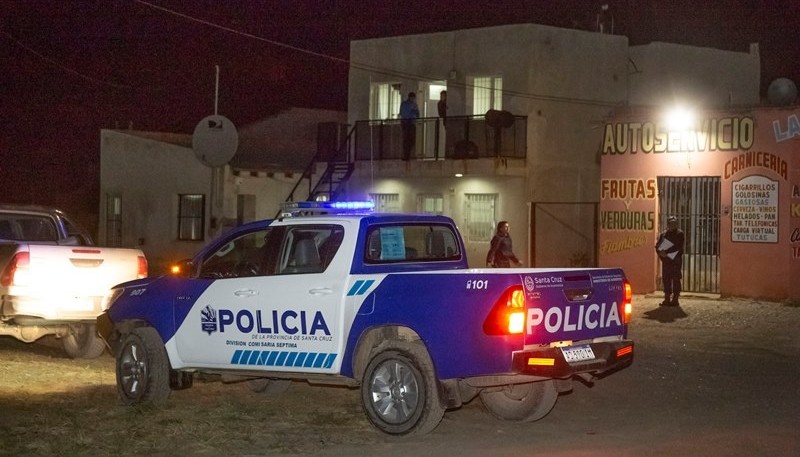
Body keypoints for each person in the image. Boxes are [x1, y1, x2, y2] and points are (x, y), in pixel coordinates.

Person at [655, 216, 685, 306]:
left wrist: (666, 252)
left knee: (676, 279)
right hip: (666, 261)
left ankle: (675, 299)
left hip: (675, 260)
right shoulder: (664, 234)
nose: (673, 225)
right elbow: (657, 246)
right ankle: (667, 298)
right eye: (671, 223)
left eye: (674, 223)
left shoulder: (680, 233)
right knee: (666, 279)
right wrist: (660, 253)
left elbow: (678, 246)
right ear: (668, 224)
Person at [399, 91, 419, 160]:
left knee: (405, 140)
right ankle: (408, 155)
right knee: (411, 140)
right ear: (412, 98)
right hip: (410, 123)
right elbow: (417, 114)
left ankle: (406, 155)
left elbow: (401, 113)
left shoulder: (403, 104)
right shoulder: (413, 105)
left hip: (404, 123)